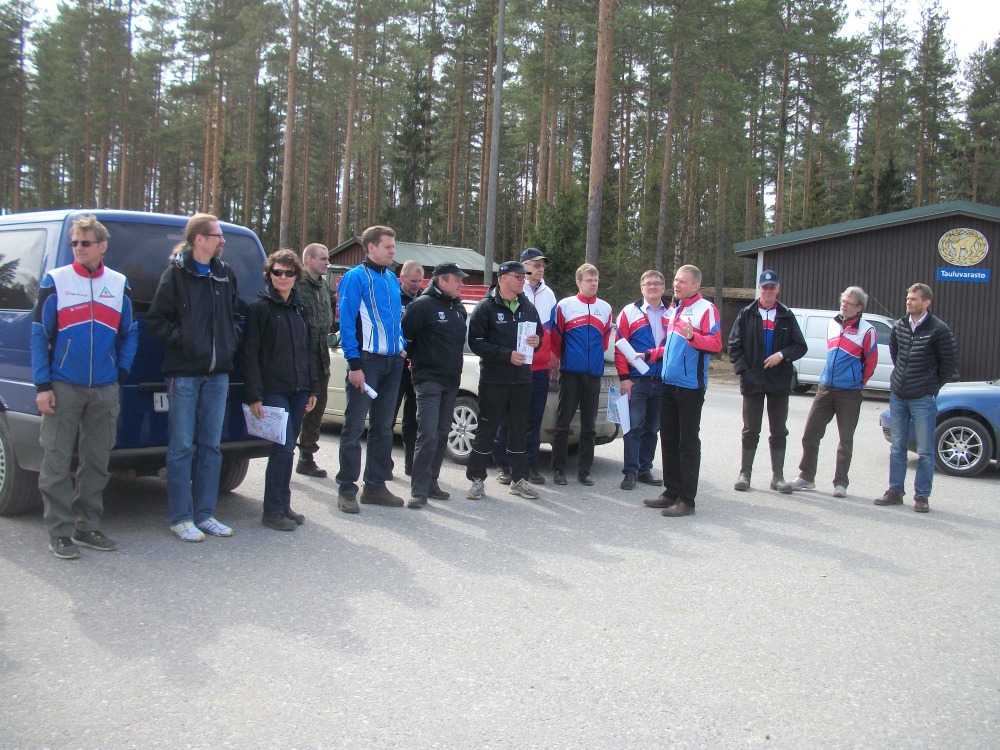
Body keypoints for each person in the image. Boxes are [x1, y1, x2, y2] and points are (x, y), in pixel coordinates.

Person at [31, 215, 138, 559]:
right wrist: (42, 384)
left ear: (102, 246)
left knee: (96, 461)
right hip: (63, 386)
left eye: (85, 243)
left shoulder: (119, 283)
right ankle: (59, 531)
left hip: (104, 388)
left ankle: (87, 526)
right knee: (57, 461)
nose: (78, 248)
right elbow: (38, 334)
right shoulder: (57, 281)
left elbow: (130, 332)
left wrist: (120, 373)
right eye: (74, 243)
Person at [148, 213, 242, 542]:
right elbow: (157, 321)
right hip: (184, 374)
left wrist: (229, 343)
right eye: (217, 235)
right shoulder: (175, 275)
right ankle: (180, 517)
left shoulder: (224, 274)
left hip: (218, 375)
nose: (222, 240)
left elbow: (235, 315)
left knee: (211, 448)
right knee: (181, 448)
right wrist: (189, 342)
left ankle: (205, 514)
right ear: (198, 239)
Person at [243, 250, 319, 530]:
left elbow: (308, 350)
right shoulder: (259, 310)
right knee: (283, 448)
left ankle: (283, 505)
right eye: (277, 272)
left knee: (288, 449)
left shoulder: (300, 308)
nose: (283, 277)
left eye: (288, 272)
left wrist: (312, 387)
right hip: (273, 390)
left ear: (296, 276)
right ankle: (272, 511)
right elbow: (249, 355)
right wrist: (254, 395)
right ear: (269, 275)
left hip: (299, 390)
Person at [335, 225, 407, 513]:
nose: (393, 250)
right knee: (354, 426)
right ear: (371, 248)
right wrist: (354, 364)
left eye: (393, 246)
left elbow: (394, 320)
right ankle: (347, 489)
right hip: (366, 362)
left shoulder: (391, 278)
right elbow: (347, 321)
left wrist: (400, 346)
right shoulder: (355, 278)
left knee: (383, 427)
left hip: (393, 362)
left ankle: (375, 486)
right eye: (388, 246)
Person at [641, 265, 722, 517]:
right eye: (675, 280)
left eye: (682, 281)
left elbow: (716, 344)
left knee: (687, 443)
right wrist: (649, 354)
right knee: (668, 440)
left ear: (696, 286)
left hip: (690, 388)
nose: (676, 285)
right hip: (668, 384)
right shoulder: (676, 310)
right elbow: (670, 348)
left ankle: (687, 500)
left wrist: (693, 337)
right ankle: (671, 491)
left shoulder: (706, 310)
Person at [875, 283, 957, 513]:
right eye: (908, 297)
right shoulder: (899, 326)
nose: (909, 301)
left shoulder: (939, 329)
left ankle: (922, 496)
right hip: (899, 395)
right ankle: (894, 491)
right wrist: (902, 378)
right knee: (898, 446)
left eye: (913, 299)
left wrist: (930, 385)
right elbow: (896, 354)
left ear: (926, 302)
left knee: (925, 451)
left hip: (923, 397)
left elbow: (948, 363)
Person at [466, 261, 543, 501]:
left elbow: (538, 332)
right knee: (487, 429)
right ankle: (477, 480)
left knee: (519, 430)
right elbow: (476, 342)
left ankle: (519, 479)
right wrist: (505, 355)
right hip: (494, 380)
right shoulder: (485, 307)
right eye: (519, 277)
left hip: (522, 380)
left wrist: (536, 341)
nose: (523, 281)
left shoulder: (527, 306)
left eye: (524, 277)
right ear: (503, 279)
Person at [790, 287, 878, 498]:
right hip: (825, 389)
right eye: (843, 300)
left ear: (859, 308)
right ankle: (807, 476)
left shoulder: (867, 330)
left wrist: (858, 382)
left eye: (849, 302)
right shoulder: (832, 323)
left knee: (845, 439)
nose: (844, 304)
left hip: (849, 392)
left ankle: (841, 483)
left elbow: (871, 361)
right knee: (810, 434)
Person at [727, 270, 807, 494]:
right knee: (750, 429)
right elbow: (734, 346)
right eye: (765, 287)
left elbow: (800, 346)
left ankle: (778, 477)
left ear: (778, 289)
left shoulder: (786, 315)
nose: (768, 291)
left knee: (779, 429)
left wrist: (781, 355)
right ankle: (745, 474)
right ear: (759, 288)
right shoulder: (746, 314)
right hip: (753, 380)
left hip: (779, 381)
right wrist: (744, 371)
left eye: (772, 287)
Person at [400, 262, 469, 508]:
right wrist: (411, 360)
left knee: (441, 434)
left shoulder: (458, 308)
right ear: (442, 280)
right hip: (427, 380)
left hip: (451, 381)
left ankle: (432, 483)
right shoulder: (422, 306)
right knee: (427, 434)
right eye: (458, 279)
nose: (462, 283)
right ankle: (418, 491)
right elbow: (404, 339)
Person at [492, 247, 557, 486]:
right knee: (507, 418)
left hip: (540, 367)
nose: (540, 269)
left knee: (533, 419)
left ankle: (529, 465)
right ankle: (502, 464)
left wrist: (553, 355)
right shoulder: (514, 291)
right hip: (515, 365)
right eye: (535, 264)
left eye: (542, 265)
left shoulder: (550, 294)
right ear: (523, 266)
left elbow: (551, 330)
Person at [549, 263, 613, 486]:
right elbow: (555, 339)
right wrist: (567, 360)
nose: (593, 284)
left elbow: (604, 341)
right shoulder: (565, 306)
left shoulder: (605, 308)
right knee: (563, 422)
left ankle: (585, 470)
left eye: (596, 280)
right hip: (570, 373)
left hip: (593, 374)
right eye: (589, 280)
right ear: (579, 282)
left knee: (589, 425)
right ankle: (559, 469)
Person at [614, 270, 667, 491]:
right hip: (637, 380)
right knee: (633, 428)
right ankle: (630, 472)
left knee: (652, 429)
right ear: (641, 287)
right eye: (648, 284)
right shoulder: (629, 312)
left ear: (663, 287)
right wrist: (624, 378)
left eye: (657, 283)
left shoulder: (672, 313)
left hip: (662, 380)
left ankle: (645, 469)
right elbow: (619, 348)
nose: (652, 287)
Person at [294, 243, 334, 479]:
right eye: (322, 259)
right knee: (295, 411)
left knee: (315, 412)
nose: (326, 263)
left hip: (321, 360)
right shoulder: (297, 286)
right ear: (309, 260)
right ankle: (284, 454)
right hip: (301, 359)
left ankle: (306, 457)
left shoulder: (323, 287)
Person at [393, 259, 425, 476]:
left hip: (415, 366)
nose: (416, 285)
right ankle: (383, 464)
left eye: (419, 281)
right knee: (387, 418)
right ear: (402, 278)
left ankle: (411, 465)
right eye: (412, 281)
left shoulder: (424, 299)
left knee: (412, 420)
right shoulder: (392, 295)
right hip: (394, 364)